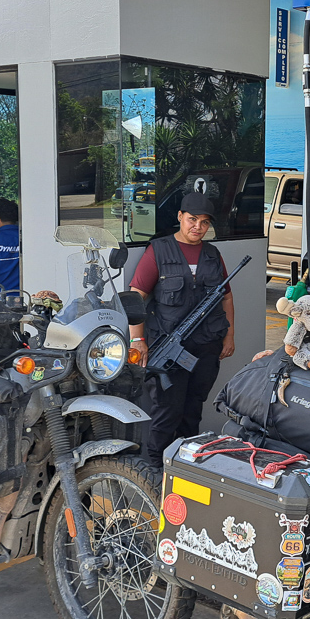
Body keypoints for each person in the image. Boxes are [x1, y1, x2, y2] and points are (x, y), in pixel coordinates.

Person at [129, 192, 236, 467]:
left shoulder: (212, 254)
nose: (198, 227)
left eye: (204, 222)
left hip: (206, 346)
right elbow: (136, 297)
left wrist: (229, 335)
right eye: (192, 219)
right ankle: (155, 468)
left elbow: (226, 297)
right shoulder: (158, 250)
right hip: (169, 349)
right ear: (180, 216)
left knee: (193, 409)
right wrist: (137, 339)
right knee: (167, 412)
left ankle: (186, 468)